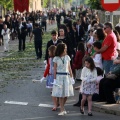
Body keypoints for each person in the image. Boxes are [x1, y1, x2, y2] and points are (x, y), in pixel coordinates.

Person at [52, 43, 74, 115]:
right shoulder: (56, 58)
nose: (66, 49)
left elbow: (69, 68)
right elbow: (55, 69)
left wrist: (71, 77)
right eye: (65, 48)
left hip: (66, 76)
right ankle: (62, 109)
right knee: (61, 94)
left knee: (66, 94)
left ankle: (62, 106)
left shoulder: (67, 57)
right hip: (59, 76)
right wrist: (54, 79)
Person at [39, 45, 59, 111]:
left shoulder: (57, 59)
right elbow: (48, 68)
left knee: (57, 91)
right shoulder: (50, 59)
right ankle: (55, 104)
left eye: (49, 51)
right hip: (51, 76)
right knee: (53, 91)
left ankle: (57, 103)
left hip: (56, 76)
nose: (48, 53)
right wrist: (44, 76)